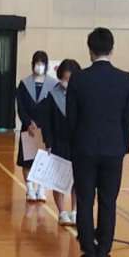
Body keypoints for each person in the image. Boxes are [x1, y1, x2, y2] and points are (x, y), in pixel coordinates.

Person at [67, 28, 129, 257]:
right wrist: (123, 147)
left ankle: (88, 249)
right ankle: (104, 250)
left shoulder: (79, 79)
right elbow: (128, 120)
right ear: (112, 49)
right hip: (113, 149)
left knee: (85, 199)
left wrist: (74, 145)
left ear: (90, 50)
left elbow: (71, 118)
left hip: (84, 148)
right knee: (108, 201)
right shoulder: (125, 79)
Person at [40, 59, 81, 226]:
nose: (67, 82)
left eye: (70, 79)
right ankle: (62, 212)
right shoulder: (52, 95)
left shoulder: (82, 95)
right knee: (59, 179)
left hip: (78, 144)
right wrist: (48, 142)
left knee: (78, 180)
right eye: (64, 79)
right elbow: (47, 122)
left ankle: (75, 211)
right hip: (58, 143)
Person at [16, 51, 57, 202]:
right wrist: (28, 122)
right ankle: (30, 189)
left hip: (46, 129)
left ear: (46, 65)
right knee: (27, 161)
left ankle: (41, 189)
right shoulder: (24, 84)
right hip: (29, 129)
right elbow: (21, 107)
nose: (39, 66)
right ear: (33, 64)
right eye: (37, 63)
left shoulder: (53, 85)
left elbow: (55, 108)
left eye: (42, 63)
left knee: (44, 160)